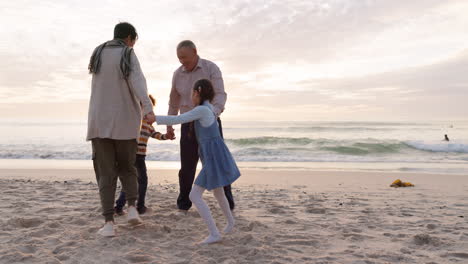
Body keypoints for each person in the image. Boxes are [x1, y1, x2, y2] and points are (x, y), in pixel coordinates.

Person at [87, 22, 155, 237]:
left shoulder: (97, 53)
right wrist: (148, 109)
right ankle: (133, 208)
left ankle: (108, 223)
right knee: (128, 167)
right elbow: (138, 82)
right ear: (129, 38)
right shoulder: (127, 53)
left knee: (105, 175)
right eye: (134, 40)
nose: (133, 44)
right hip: (125, 121)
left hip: (99, 122)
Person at [156, 79, 240, 244]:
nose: (190, 97)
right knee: (218, 191)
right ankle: (230, 222)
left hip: (213, 158)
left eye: (192, 93)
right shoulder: (209, 108)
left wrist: (154, 118)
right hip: (216, 155)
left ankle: (214, 233)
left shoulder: (202, 110)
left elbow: (178, 119)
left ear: (198, 92)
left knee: (194, 195)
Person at [167, 40, 235, 211]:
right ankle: (184, 203)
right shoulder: (177, 74)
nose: (182, 61)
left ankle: (228, 201)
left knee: (215, 163)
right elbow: (174, 101)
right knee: (187, 165)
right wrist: (169, 124)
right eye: (179, 58)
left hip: (209, 122)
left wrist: (213, 113)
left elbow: (220, 94)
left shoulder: (210, 68)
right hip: (187, 124)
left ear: (195, 52)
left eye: (185, 58)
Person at [115, 95, 171, 215]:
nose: (148, 111)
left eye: (150, 108)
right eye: (145, 106)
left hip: (140, 157)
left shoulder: (148, 124)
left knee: (134, 182)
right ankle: (138, 207)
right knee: (138, 182)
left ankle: (121, 206)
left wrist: (167, 136)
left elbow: (156, 135)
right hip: (131, 155)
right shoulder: (134, 119)